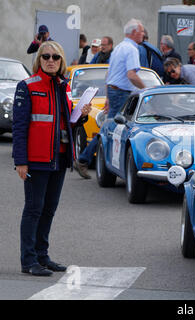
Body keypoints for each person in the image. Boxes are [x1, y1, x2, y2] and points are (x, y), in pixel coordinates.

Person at [13, 41, 91, 276]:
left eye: (55, 57)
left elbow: (66, 122)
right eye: (45, 56)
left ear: (61, 61)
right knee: (34, 209)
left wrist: (81, 116)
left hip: (59, 158)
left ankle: (42, 256)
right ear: (39, 59)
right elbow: (19, 126)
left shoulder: (62, 86)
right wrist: (20, 160)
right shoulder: (27, 86)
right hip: (36, 159)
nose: (50, 60)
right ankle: (28, 260)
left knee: (48, 209)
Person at [75, 19, 146, 179]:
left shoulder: (120, 48)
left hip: (115, 92)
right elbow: (131, 75)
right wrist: (146, 89)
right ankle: (87, 159)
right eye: (141, 31)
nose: (143, 34)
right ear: (134, 32)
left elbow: (109, 75)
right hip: (122, 94)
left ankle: (89, 159)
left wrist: (108, 96)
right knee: (114, 129)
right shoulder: (131, 50)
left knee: (109, 128)